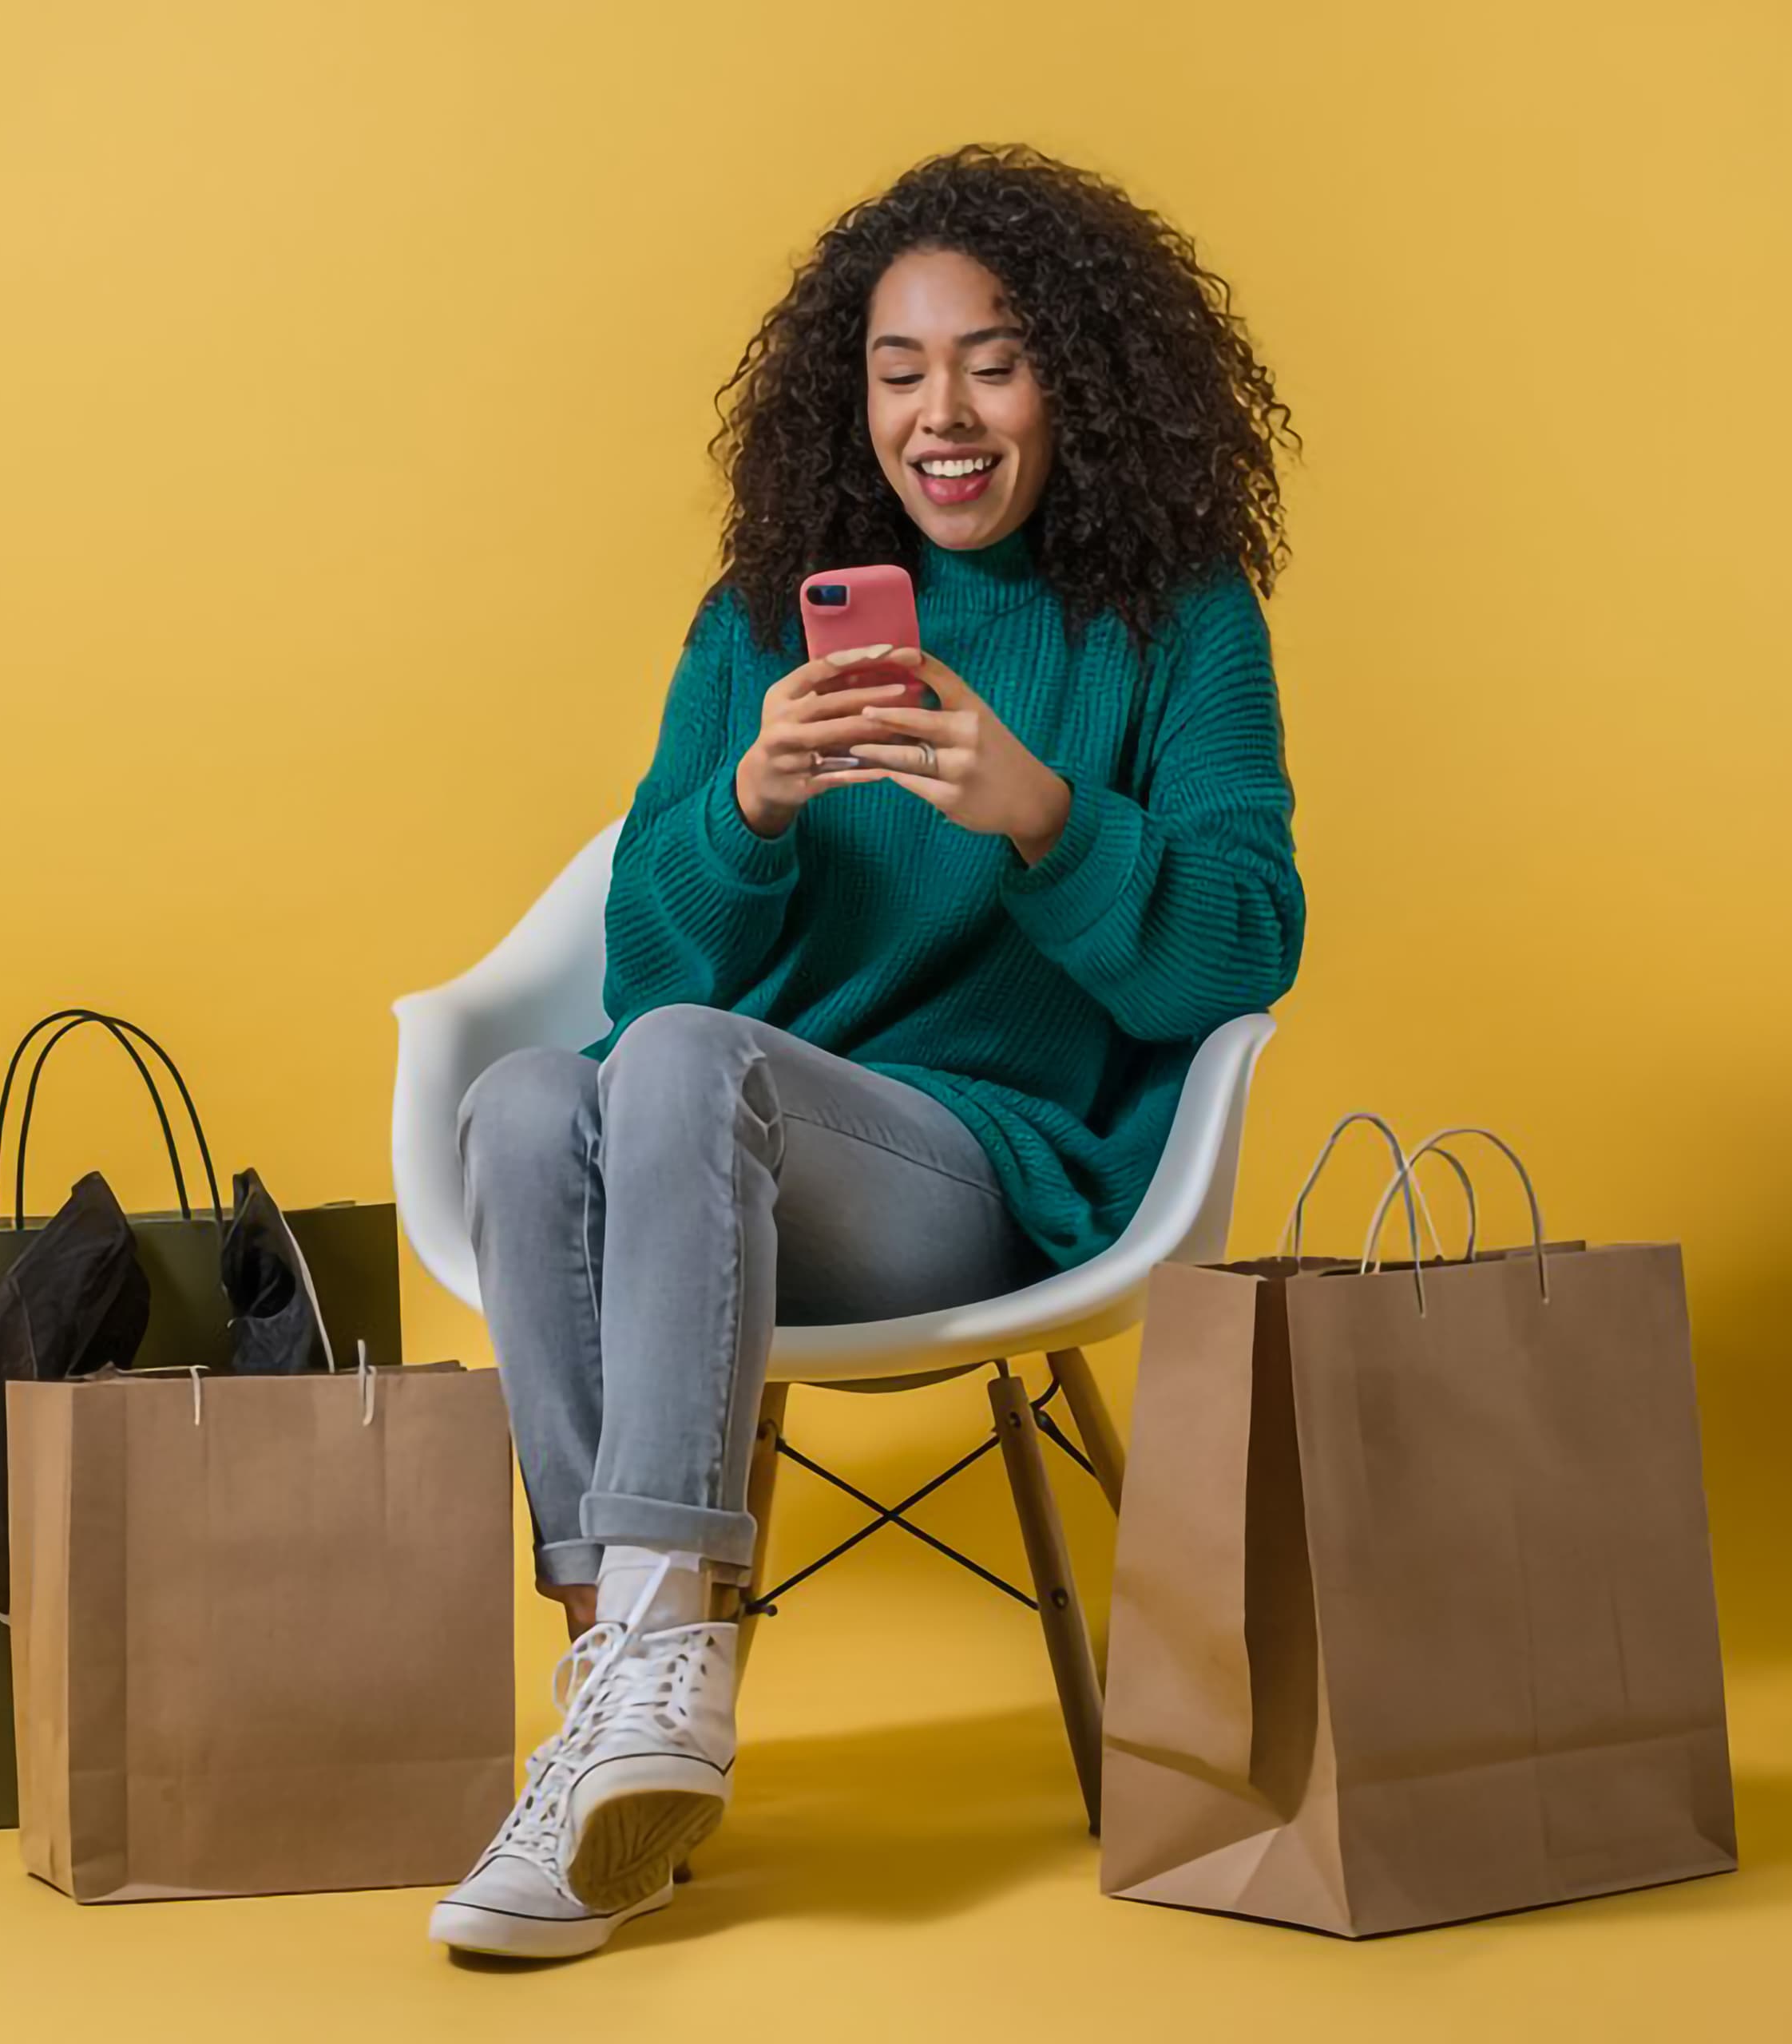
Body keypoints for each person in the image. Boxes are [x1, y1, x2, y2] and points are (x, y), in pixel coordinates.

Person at [426, 142, 1310, 1960]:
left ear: (1081, 377)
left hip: (983, 1173)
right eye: (901, 372)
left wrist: (1049, 817)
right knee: (527, 1097)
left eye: (993, 360)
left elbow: (1248, 937)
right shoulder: (767, 614)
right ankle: (627, 1690)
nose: (945, 414)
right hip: (724, 1152)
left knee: (683, 1062)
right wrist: (743, 805)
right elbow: (648, 965)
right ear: (856, 400)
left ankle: (649, 1673)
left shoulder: (1176, 618)